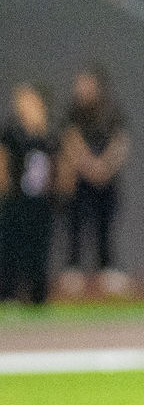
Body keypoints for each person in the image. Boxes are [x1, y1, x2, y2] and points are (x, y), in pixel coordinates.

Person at [60, 68, 131, 296]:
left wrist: (104, 166)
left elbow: (121, 142)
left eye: (87, 83)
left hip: (107, 180)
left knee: (105, 226)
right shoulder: (73, 111)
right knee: (76, 225)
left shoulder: (111, 111)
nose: (82, 89)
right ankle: (73, 269)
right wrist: (89, 165)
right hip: (81, 180)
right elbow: (70, 139)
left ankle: (107, 268)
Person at [0, 83, 62, 304]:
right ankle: (8, 295)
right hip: (16, 198)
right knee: (10, 247)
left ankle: (37, 296)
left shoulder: (50, 132)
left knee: (38, 249)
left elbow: (58, 165)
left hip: (41, 202)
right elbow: (4, 161)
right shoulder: (12, 131)